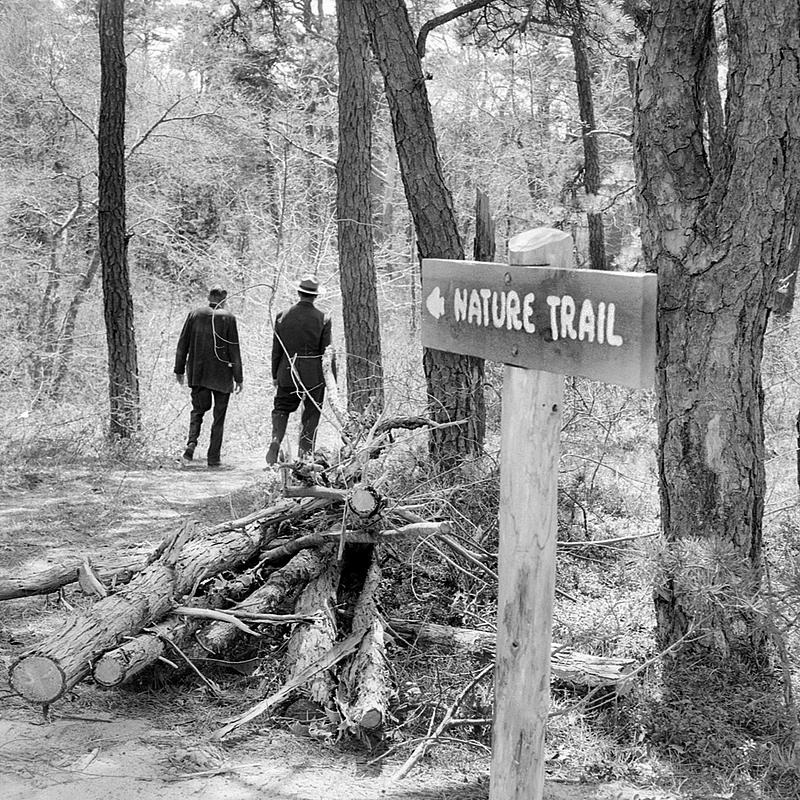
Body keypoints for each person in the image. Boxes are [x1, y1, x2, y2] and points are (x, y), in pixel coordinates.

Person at [267, 276, 333, 464]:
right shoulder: (324, 318)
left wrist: (275, 374)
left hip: (286, 370)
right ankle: (304, 455)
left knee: (281, 408)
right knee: (311, 413)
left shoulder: (282, 316)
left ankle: (275, 440)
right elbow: (327, 352)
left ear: (298, 292)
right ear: (315, 296)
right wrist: (331, 380)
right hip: (313, 374)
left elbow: (276, 350)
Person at [174, 285, 243, 467]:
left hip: (198, 372)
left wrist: (179, 369)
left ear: (208, 297)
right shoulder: (229, 318)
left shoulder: (195, 314)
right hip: (222, 375)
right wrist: (238, 377)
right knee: (218, 417)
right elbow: (234, 348)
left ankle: (191, 444)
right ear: (224, 299)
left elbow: (183, 343)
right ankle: (213, 458)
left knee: (198, 411)